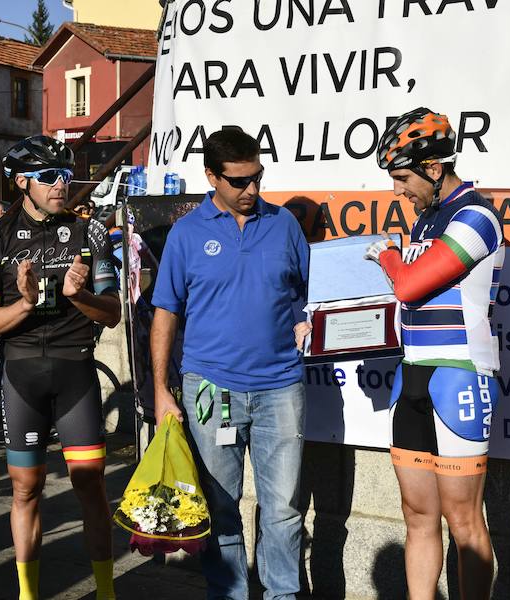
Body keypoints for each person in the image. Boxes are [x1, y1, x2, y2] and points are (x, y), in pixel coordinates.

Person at [151, 128, 311, 600]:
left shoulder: (284, 225)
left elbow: (310, 295)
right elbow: (165, 313)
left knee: (283, 509)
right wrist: (161, 391)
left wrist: (308, 322)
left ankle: (283, 595)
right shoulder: (186, 233)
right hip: (209, 389)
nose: (252, 191)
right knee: (221, 508)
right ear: (211, 177)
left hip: (281, 386)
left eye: (258, 177)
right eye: (240, 181)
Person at [364, 107, 504, 600]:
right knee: (417, 515)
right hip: (414, 375)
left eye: (403, 178)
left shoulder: (477, 216)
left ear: (435, 168)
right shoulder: (426, 218)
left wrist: (382, 254)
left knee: (463, 520)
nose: (397, 190)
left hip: (459, 375)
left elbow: (410, 284)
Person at [0, 135, 121, 600]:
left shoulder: (89, 231)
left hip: (74, 371)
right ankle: (27, 594)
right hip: (22, 378)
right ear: (21, 182)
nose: (61, 184)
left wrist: (80, 297)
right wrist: (26, 302)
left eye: (64, 174)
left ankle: (105, 591)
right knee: (26, 491)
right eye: (47, 176)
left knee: (90, 486)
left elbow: (113, 313)